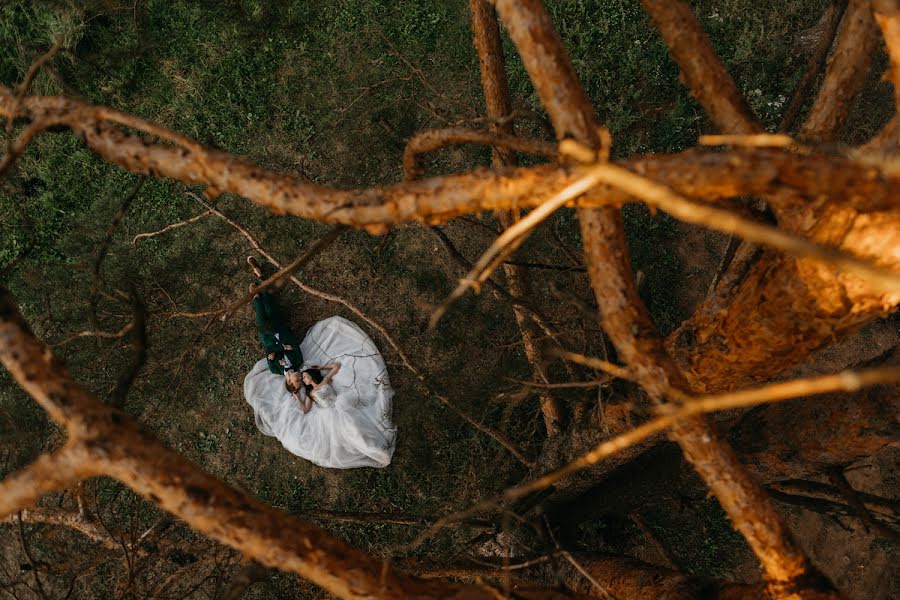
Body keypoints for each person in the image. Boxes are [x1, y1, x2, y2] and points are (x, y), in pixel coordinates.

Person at [243, 315, 397, 469]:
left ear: (311, 376)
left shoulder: (324, 382)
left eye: (305, 375)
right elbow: (305, 410)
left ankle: (372, 446)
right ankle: (373, 448)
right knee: (346, 435)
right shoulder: (310, 394)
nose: (304, 377)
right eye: (303, 378)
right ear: (304, 383)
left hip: (341, 405)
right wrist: (297, 397)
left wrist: (322, 367)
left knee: (355, 427)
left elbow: (336, 367)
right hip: (329, 414)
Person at [248, 256, 310, 412]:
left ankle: (255, 297)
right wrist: (289, 348)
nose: (299, 379)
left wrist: (273, 357)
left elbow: (269, 355)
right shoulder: (298, 361)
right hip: (281, 330)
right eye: (300, 381)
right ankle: (259, 274)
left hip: (268, 337)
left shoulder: (275, 369)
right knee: (269, 304)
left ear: (289, 380)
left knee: (261, 314)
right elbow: (295, 347)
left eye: (297, 381)